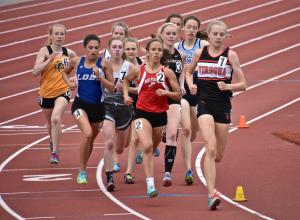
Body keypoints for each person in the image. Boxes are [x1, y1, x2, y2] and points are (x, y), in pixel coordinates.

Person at [186, 20, 247, 210]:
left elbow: (243, 84)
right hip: (203, 103)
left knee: (218, 155)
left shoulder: (231, 55)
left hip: (223, 106)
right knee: (210, 148)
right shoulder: (199, 53)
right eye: (215, 34)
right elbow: (188, 72)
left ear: (226, 36)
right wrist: (191, 84)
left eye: (222, 34)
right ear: (209, 35)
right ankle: (211, 194)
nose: (218, 37)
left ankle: (212, 170)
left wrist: (229, 86)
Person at [123, 38, 182, 198]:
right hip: (141, 112)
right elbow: (125, 81)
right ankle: (150, 185)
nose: (156, 52)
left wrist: (167, 93)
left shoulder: (167, 72)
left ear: (162, 53)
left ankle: (145, 159)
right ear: (148, 52)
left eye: (159, 50)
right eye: (153, 49)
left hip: (160, 115)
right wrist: (125, 95)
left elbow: (179, 94)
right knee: (148, 146)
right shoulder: (139, 70)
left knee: (151, 147)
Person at [62, 34, 114, 184]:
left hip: (98, 108)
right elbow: (64, 73)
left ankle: (82, 168)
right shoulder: (77, 61)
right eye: (90, 47)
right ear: (85, 48)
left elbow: (111, 88)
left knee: (90, 140)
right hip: (80, 104)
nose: (93, 50)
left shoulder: (104, 64)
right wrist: (69, 84)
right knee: (87, 134)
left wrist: (100, 77)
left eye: (96, 48)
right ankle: (82, 170)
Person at [33, 23, 76, 164]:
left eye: (62, 34)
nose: (59, 36)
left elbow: (81, 66)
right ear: (50, 36)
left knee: (56, 119)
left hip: (63, 91)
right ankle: (52, 140)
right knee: (50, 124)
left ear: (65, 36)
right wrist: (49, 60)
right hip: (45, 93)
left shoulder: (69, 53)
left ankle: (55, 152)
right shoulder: (44, 51)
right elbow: (35, 72)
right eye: (56, 34)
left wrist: (74, 80)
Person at [175, 15, 209, 184]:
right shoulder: (176, 47)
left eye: (194, 27)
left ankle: (191, 132)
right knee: (186, 129)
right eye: (188, 27)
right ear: (183, 28)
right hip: (183, 90)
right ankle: (188, 169)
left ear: (198, 30)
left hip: (200, 87)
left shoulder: (202, 45)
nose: (191, 30)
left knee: (195, 130)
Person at [102, 37, 136, 191]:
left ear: (123, 50)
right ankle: (109, 178)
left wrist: (127, 92)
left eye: (119, 47)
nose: (117, 49)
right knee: (109, 142)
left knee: (120, 148)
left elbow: (142, 87)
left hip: (124, 108)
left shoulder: (131, 68)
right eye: (114, 46)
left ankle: (120, 146)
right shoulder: (103, 65)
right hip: (107, 106)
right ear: (109, 49)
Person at [156, 22, 187, 187]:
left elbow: (182, 72)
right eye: (168, 33)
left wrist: (181, 85)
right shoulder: (156, 53)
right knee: (155, 135)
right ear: (161, 35)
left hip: (173, 97)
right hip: (156, 96)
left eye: (174, 33)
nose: (171, 36)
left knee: (173, 132)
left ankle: (167, 173)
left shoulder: (180, 54)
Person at [102, 21, 131, 173]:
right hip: (106, 103)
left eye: (121, 34)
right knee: (109, 139)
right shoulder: (104, 60)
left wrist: (126, 88)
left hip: (124, 104)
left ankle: (121, 150)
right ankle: (113, 163)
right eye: (116, 33)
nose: (118, 36)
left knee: (122, 147)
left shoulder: (130, 58)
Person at [122, 37, 144, 184]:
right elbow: (118, 85)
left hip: (142, 103)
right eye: (128, 49)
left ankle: (128, 172)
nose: (130, 51)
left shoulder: (143, 64)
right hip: (126, 102)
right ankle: (127, 170)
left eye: (133, 49)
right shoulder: (122, 65)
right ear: (124, 50)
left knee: (136, 138)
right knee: (128, 141)